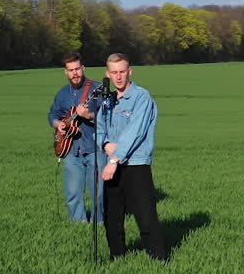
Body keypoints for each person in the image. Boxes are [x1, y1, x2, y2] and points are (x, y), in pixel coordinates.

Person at [97, 53, 168, 261]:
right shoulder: (107, 101)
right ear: (107, 74)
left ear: (130, 72)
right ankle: (117, 257)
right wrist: (105, 144)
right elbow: (100, 128)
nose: (118, 77)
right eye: (114, 72)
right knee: (113, 217)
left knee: (145, 216)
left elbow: (135, 132)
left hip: (136, 164)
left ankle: (159, 260)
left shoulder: (141, 97)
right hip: (113, 163)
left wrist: (114, 159)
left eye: (122, 72)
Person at [47, 52, 103, 223]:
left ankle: (99, 223)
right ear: (66, 72)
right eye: (71, 70)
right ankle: (77, 224)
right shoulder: (62, 93)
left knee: (99, 193)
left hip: (94, 147)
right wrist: (58, 124)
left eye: (77, 69)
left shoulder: (97, 89)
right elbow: (53, 114)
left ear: (83, 68)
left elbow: (108, 119)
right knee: (72, 193)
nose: (75, 73)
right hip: (71, 149)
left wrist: (88, 115)